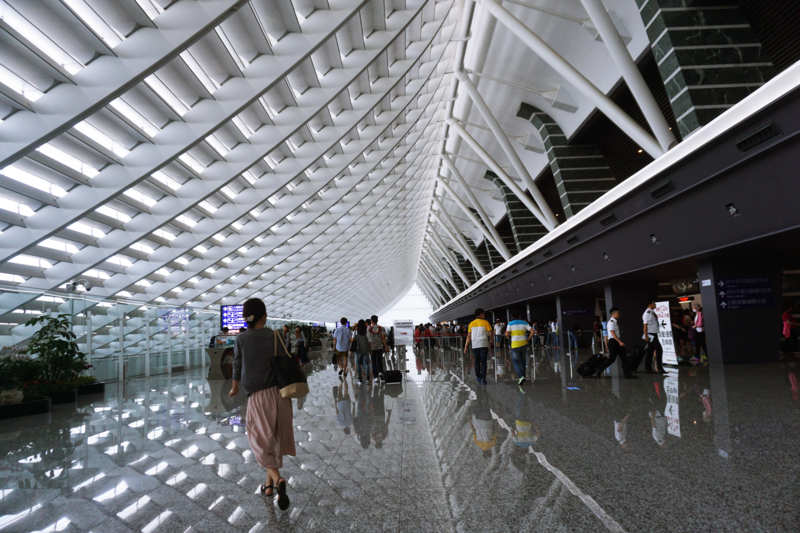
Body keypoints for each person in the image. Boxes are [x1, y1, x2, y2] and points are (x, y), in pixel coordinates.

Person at [229, 299, 295, 510]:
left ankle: (278, 480)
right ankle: (268, 487)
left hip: (259, 396)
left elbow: (237, 364)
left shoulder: (241, 339)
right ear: (264, 316)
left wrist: (234, 387)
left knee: (258, 440)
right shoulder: (275, 335)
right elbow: (285, 359)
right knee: (273, 439)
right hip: (281, 394)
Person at [594, 307, 636, 379]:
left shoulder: (615, 322)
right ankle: (599, 369)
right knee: (612, 359)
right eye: (618, 313)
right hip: (614, 342)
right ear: (613, 314)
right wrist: (620, 342)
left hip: (617, 341)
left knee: (624, 358)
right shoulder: (611, 323)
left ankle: (627, 374)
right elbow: (612, 334)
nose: (619, 314)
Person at [505, 310, 534, 386]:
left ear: (512, 317)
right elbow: (532, 331)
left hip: (515, 345)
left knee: (515, 361)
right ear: (520, 316)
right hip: (523, 344)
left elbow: (507, 334)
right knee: (522, 361)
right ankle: (523, 376)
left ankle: (521, 377)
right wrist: (528, 339)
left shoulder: (510, 324)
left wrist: (508, 336)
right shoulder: (524, 323)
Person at [464, 308, 492, 384]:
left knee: (476, 361)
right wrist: (491, 341)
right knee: (483, 362)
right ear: (481, 314)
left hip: (475, 345)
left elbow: (469, 336)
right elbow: (490, 333)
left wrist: (466, 346)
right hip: (483, 344)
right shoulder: (485, 322)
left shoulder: (471, 324)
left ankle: (478, 377)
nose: (484, 315)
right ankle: (483, 378)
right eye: (483, 314)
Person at [642, 299, 665, 374]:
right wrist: (646, 335)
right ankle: (659, 368)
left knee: (650, 351)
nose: (655, 304)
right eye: (653, 303)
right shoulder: (647, 313)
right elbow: (645, 326)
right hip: (651, 335)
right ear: (650, 304)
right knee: (659, 349)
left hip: (653, 334)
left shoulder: (651, 312)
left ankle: (648, 368)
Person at [368, 315, 389, 383]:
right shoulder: (381, 328)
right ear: (377, 320)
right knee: (380, 361)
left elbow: (368, 340)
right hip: (380, 347)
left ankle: (376, 377)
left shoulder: (369, 329)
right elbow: (383, 338)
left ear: (371, 321)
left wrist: (369, 349)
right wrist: (386, 346)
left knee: (373, 362)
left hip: (372, 348)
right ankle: (381, 373)